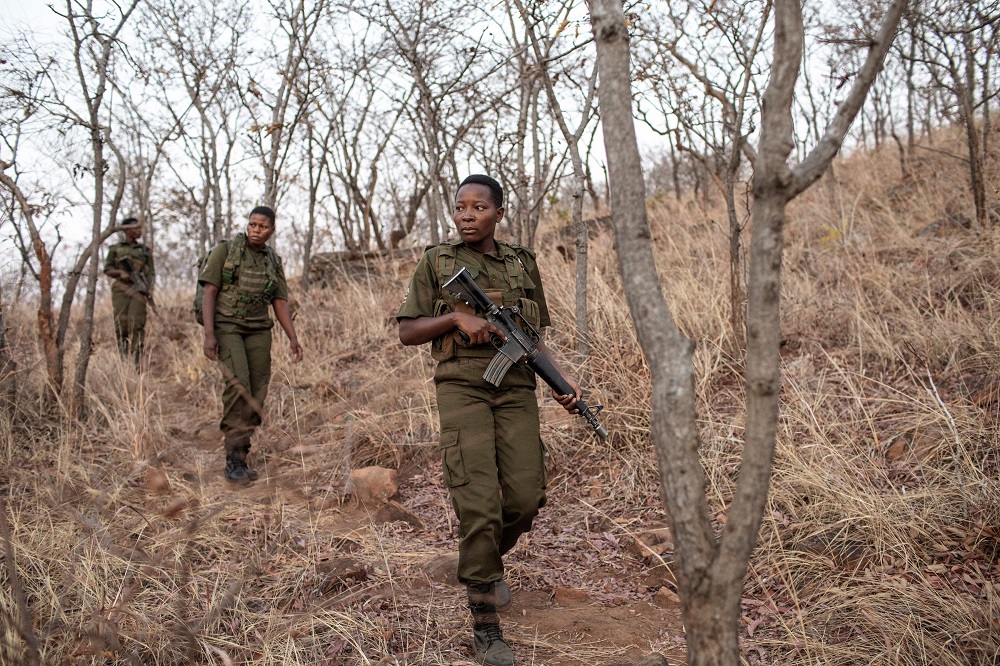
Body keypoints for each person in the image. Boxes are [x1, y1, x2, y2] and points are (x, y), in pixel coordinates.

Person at [397, 175, 582, 666]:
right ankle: (485, 625)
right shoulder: (437, 261)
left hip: (516, 385)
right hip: (461, 387)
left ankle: (482, 564)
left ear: (499, 213)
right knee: (479, 506)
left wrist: (561, 382)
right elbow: (407, 331)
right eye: (460, 206)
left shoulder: (523, 263)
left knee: (526, 497)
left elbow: (532, 334)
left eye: (479, 207)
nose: (467, 214)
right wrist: (457, 319)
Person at [199, 205, 303, 484]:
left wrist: (292, 337)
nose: (256, 230)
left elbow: (279, 301)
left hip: (258, 329)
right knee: (238, 385)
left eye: (263, 226)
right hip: (227, 326)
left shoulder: (272, 260)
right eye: (253, 225)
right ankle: (233, 459)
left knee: (258, 390)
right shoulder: (226, 251)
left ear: (271, 229)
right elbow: (209, 292)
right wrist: (210, 334)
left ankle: (243, 452)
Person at [104, 218, 154, 366]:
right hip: (121, 289)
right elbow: (107, 269)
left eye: (140, 228)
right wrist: (120, 272)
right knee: (121, 324)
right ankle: (124, 361)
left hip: (139, 290)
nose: (139, 231)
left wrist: (149, 291)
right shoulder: (115, 248)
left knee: (137, 324)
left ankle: (137, 362)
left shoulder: (144, 250)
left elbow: (151, 273)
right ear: (127, 230)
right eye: (136, 228)